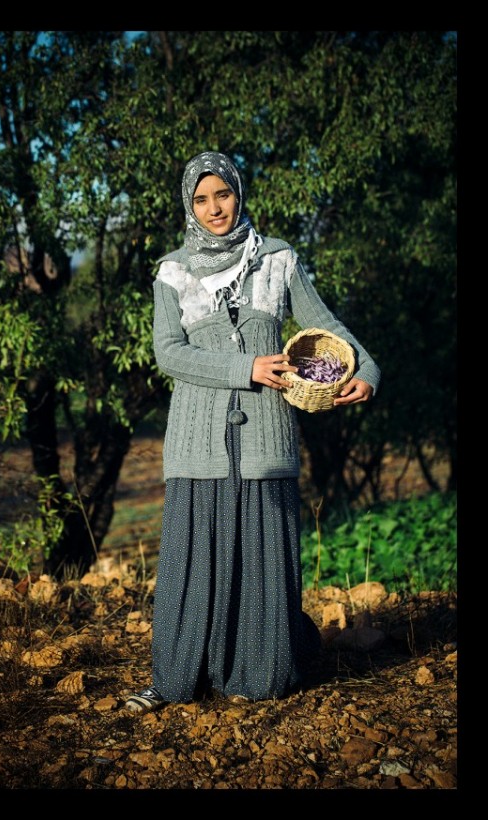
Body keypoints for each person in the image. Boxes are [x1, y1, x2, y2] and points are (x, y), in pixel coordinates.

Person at [124, 151, 380, 714]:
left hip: (266, 439)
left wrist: (366, 372)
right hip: (196, 442)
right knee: (193, 562)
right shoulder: (172, 271)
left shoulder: (278, 259)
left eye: (223, 194)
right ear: (189, 205)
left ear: (239, 193)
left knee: (264, 560)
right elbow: (168, 353)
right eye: (201, 199)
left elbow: (328, 326)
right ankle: (176, 680)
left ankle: (258, 676)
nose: (214, 208)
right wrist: (247, 368)